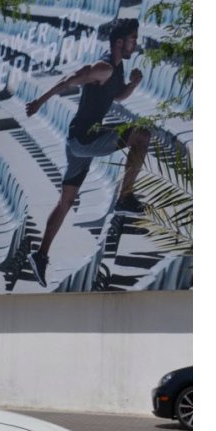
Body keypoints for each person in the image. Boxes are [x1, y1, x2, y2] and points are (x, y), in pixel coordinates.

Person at [24, 18, 150, 286]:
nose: (135, 43)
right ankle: (125, 198)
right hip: (85, 140)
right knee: (142, 135)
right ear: (119, 42)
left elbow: (117, 96)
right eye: (132, 39)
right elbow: (71, 79)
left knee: (66, 202)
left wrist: (134, 84)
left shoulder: (117, 69)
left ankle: (40, 255)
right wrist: (39, 102)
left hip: (78, 143)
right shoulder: (103, 67)